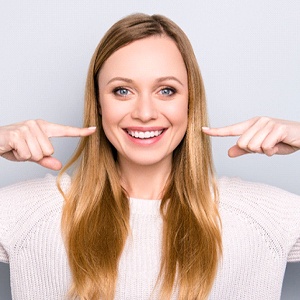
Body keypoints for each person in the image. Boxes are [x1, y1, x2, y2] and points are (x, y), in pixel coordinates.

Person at [0, 13, 299, 300]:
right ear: (99, 103)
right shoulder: (30, 214)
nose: (144, 113)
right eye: (122, 91)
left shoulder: (262, 217)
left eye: (167, 90)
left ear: (190, 101)